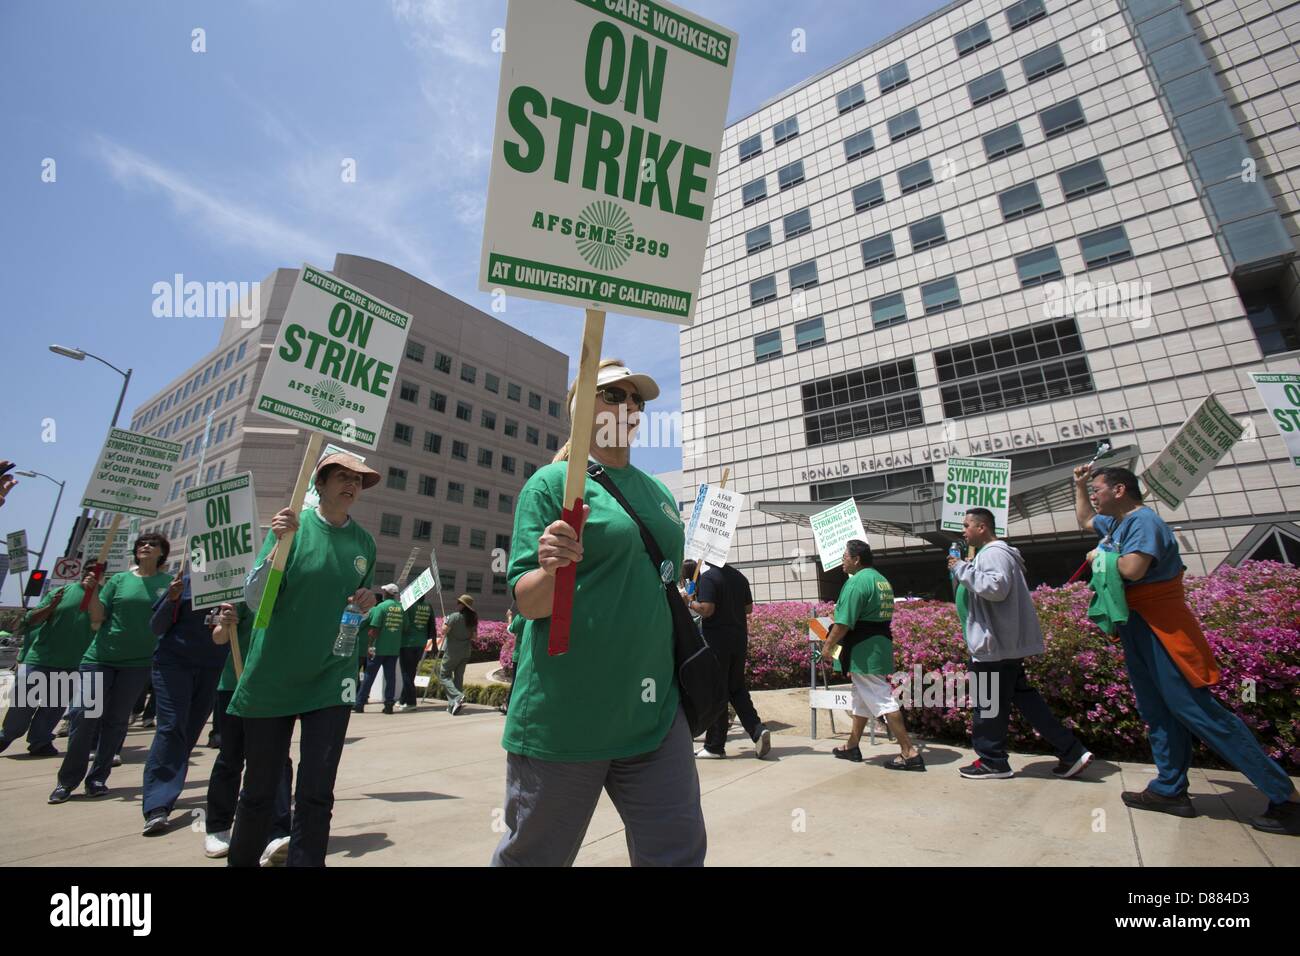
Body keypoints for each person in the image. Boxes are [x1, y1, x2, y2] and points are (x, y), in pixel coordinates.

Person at [492, 359, 706, 867]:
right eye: (613, 395)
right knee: (533, 858)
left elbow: (660, 584)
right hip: (566, 717)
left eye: (637, 400)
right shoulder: (549, 486)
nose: (629, 406)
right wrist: (551, 566)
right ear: (582, 409)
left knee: (678, 853)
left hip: (654, 714)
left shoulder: (657, 493)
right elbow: (528, 600)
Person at [1074, 465, 1300, 835]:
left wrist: (1102, 559)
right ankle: (1169, 789)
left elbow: (1131, 568)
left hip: (1162, 627)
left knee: (1197, 711)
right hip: (1136, 626)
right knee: (1157, 711)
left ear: (1119, 490)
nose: (1094, 496)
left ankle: (1285, 797)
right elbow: (1086, 520)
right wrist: (1080, 486)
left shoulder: (1144, 522)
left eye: (1097, 489)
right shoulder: (1114, 524)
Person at [226, 451, 378, 866]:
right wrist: (277, 545)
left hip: (331, 678)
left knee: (316, 792)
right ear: (321, 484)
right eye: (342, 476)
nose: (351, 484)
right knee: (258, 792)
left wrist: (363, 605)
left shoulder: (365, 544)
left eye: (358, 480)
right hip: (272, 677)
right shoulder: (290, 530)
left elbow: (354, 611)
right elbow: (258, 600)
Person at [949, 508, 1093, 780]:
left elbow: (995, 588)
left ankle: (993, 760)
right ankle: (1071, 751)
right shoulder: (992, 554)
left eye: (967, 525)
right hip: (1001, 646)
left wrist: (961, 568)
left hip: (994, 648)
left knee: (988, 705)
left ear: (982, 527)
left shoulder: (993, 554)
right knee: (1027, 702)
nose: (963, 531)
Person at [49, 533, 172, 803]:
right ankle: (67, 780)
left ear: (162, 552)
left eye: (152, 544)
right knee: (83, 714)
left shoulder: (169, 584)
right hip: (100, 658)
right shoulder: (119, 580)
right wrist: (92, 592)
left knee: (116, 722)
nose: (146, 547)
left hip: (138, 663)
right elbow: (97, 616)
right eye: (141, 544)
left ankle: (97, 778)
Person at [204, 602, 294, 864]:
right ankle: (217, 828)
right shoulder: (245, 590)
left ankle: (277, 833)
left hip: (275, 688)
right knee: (230, 758)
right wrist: (227, 623)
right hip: (235, 685)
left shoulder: (292, 588)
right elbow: (218, 637)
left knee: (277, 760)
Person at [821, 539, 923, 770]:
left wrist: (828, 647)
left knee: (881, 699)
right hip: (878, 645)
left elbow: (843, 621)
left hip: (863, 650)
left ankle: (909, 751)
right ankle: (852, 746)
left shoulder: (857, 583)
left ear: (856, 559)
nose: (842, 561)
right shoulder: (881, 580)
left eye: (845, 556)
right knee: (861, 698)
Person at [139, 573, 229, 835]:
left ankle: (168, 783)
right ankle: (157, 805)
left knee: (188, 732)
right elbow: (157, 626)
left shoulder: (237, 584)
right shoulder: (185, 582)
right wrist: (173, 598)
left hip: (212, 667)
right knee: (171, 728)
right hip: (173, 664)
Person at [0, 574, 97, 757]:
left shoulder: (102, 598)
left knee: (54, 707)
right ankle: (6, 736)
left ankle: (40, 741)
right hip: (40, 659)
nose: (92, 577)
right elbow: (30, 620)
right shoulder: (61, 592)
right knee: (23, 705)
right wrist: (52, 606)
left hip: (72, 664)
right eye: (89, 572)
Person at [684, 559, 770, 760]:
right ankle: (757, 730)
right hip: (739, 639)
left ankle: (715, 746)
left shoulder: (708, 577)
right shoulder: (740, 577)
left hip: (717, 642)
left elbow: (707, 609)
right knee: (736, 688)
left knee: (717, 691)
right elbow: (748, 609)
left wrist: (688, 601)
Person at [358, 583, 403, 715]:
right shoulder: (401, 608)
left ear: (387, 593)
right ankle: (389, 705)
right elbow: (405, 627)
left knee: (369, 676)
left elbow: (373, 629)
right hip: (393, 649)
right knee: (391, 678)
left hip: (378, 648)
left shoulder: (380, 607)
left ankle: (360, 703)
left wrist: (370, 647)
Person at [438, 595, 476, 715]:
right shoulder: (473, 619)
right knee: (458, 678)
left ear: (463, 605)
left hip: (452, 652)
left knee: (443, 675)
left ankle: (458, 696)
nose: (457, 604)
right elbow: (475, 637)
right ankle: (453, 704)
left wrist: (445, 621)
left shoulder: (454, 617)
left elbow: (443, 631)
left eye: (459, 602)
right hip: (465, 652)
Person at [398, 595, 432, 712]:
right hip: (421, 643)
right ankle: (402, 700)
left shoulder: (408, 606)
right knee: (411, 672)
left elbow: (405, 625)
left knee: (406, 673)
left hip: (407, 643)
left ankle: (411, 702)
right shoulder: (428, 606)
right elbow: (431, 626)